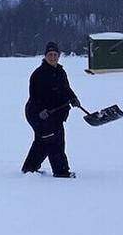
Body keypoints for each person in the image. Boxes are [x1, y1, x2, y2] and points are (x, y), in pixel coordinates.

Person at [22, 41, 80, 178]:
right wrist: (41, 111)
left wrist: (73, 98)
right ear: (45, 56)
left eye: (55, 54)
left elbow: (66, 89)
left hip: (55, 114)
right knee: (54, 142)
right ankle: (61, 171)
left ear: (59, 56)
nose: (53, 57)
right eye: (50, 55)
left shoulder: (60, 72)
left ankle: (29, 169)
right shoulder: (38, 74)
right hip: (37, 114)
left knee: (43, 141)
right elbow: (34, 96)